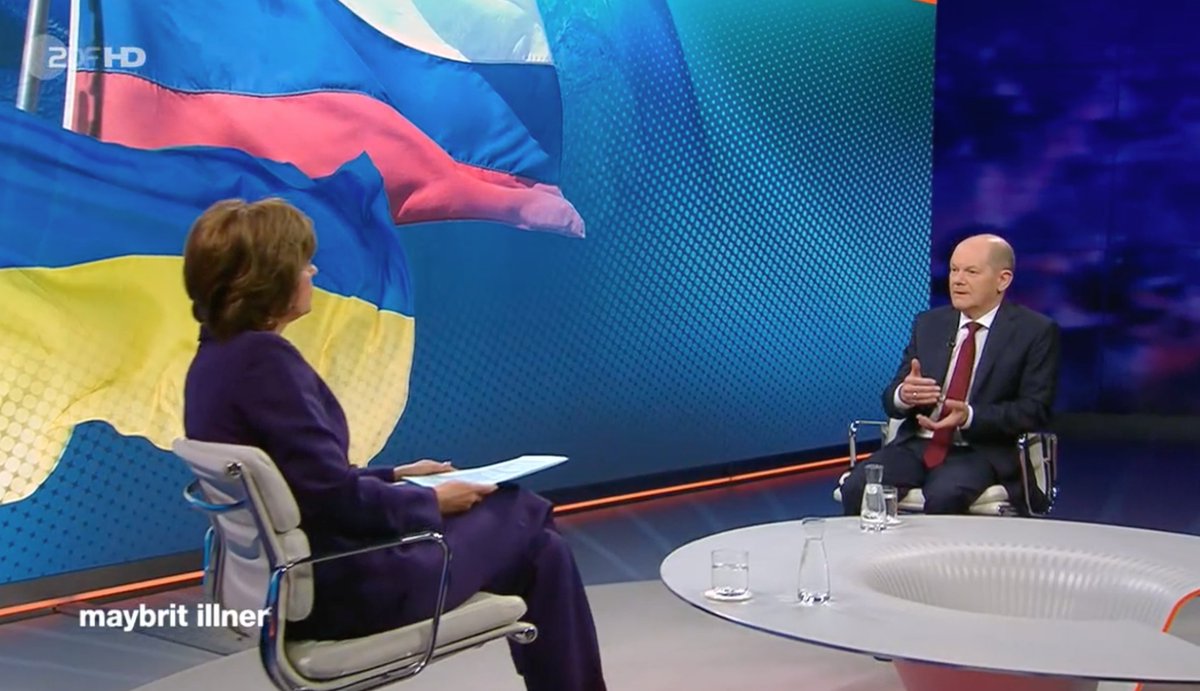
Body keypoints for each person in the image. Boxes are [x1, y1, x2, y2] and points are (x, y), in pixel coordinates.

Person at [181, 198, 606, 691]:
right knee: (519, 507)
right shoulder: (265, 364)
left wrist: (396, 476)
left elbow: (299, 484)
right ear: (268, 279)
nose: (311, 271)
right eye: (301, 262)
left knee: (544, 553)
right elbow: (334, 501)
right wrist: (431, 502)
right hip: (346, 589)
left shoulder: (211, 363)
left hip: (299, 583)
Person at [840, 234, 1060, 515]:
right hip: (917, 444)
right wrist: (904, 395)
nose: (957, 280)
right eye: (954, 270)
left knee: (945, 495)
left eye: (971, 272)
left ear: (1003, 280)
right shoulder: (929, 323)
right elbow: (891, 398)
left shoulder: (1035, 331)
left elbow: (1034, 410)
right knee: (857, 486)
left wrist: (969, 415)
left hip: (980, 450)